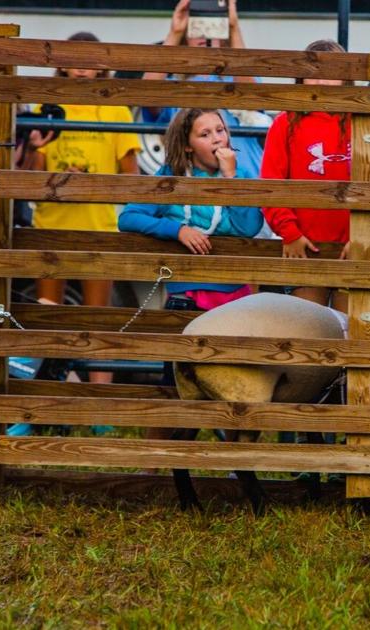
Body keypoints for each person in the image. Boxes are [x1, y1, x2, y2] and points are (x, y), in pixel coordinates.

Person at [118, 107, 263, 440]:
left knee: (238, 383)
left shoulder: (239, 176)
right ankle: (157, 459)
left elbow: (249, 227)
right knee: (177, 385)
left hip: (235, 299)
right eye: (205, 134)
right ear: (187, 144)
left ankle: (233, 458)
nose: (217, 139)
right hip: (189, 299)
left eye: (220, 130)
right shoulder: (170, 177)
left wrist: (231, 179)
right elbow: (129, 217)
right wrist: (177, 230)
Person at [17, 31, 141, 390]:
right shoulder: (48, 106)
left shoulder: (116, 109)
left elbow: (130, 176)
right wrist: (45, 160)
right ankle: (43, 391)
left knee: (97, 316)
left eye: (89, 62)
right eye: (74, 61)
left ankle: (100, 397)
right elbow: (32, 179)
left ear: (101, 67)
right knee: (47, 311)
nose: (82, 69)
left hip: (99, 226)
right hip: (51, 225)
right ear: (62, 65)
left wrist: (91, 183)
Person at [260, 39, 351, 312]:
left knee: (352, 328)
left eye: (330, 73)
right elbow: (271, 185)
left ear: (345, 78)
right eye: (313, 74)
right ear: (301, 78)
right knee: (308, 325)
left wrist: (364, 236)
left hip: (352, 247)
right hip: (305, 246)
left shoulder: (361, 120)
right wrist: (290, 233)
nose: (321, 82)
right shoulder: (284, 123)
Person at [141, 0, 267, 175]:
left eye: (213, 26)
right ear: (186, 36)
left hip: (249, 178)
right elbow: (145, 94)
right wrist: (175, 32)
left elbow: (252, 98)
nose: (205, 34)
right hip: (195, 183)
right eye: (197, 26)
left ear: (223, 35)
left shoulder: (239, 77)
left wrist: (233, 27)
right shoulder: (174, 85)